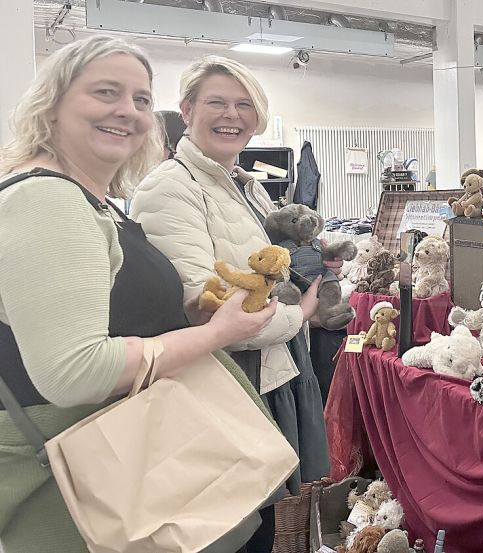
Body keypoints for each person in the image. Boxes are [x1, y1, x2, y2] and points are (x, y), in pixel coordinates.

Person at [0, 36, 278, 553]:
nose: (127, 111)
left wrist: (189, 312)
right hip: (80, 474)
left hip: (128, 454)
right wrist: (217, 334)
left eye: (141, 99)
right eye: (106, 93)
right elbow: (74, 371)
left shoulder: (95, 202)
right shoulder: (47, 200)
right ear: (54, 104)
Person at [128, 55, 328, 553]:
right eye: (217, 102)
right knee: (227, 531)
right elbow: (204, 304)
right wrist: (299, 314)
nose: (231, 115)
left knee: (259, 522)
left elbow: (263, 267)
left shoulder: (246, 184)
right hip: (223, 380)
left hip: (264, 371)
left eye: (244, 105)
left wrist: (306, 271)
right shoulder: (169, 189)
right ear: (187, 109)